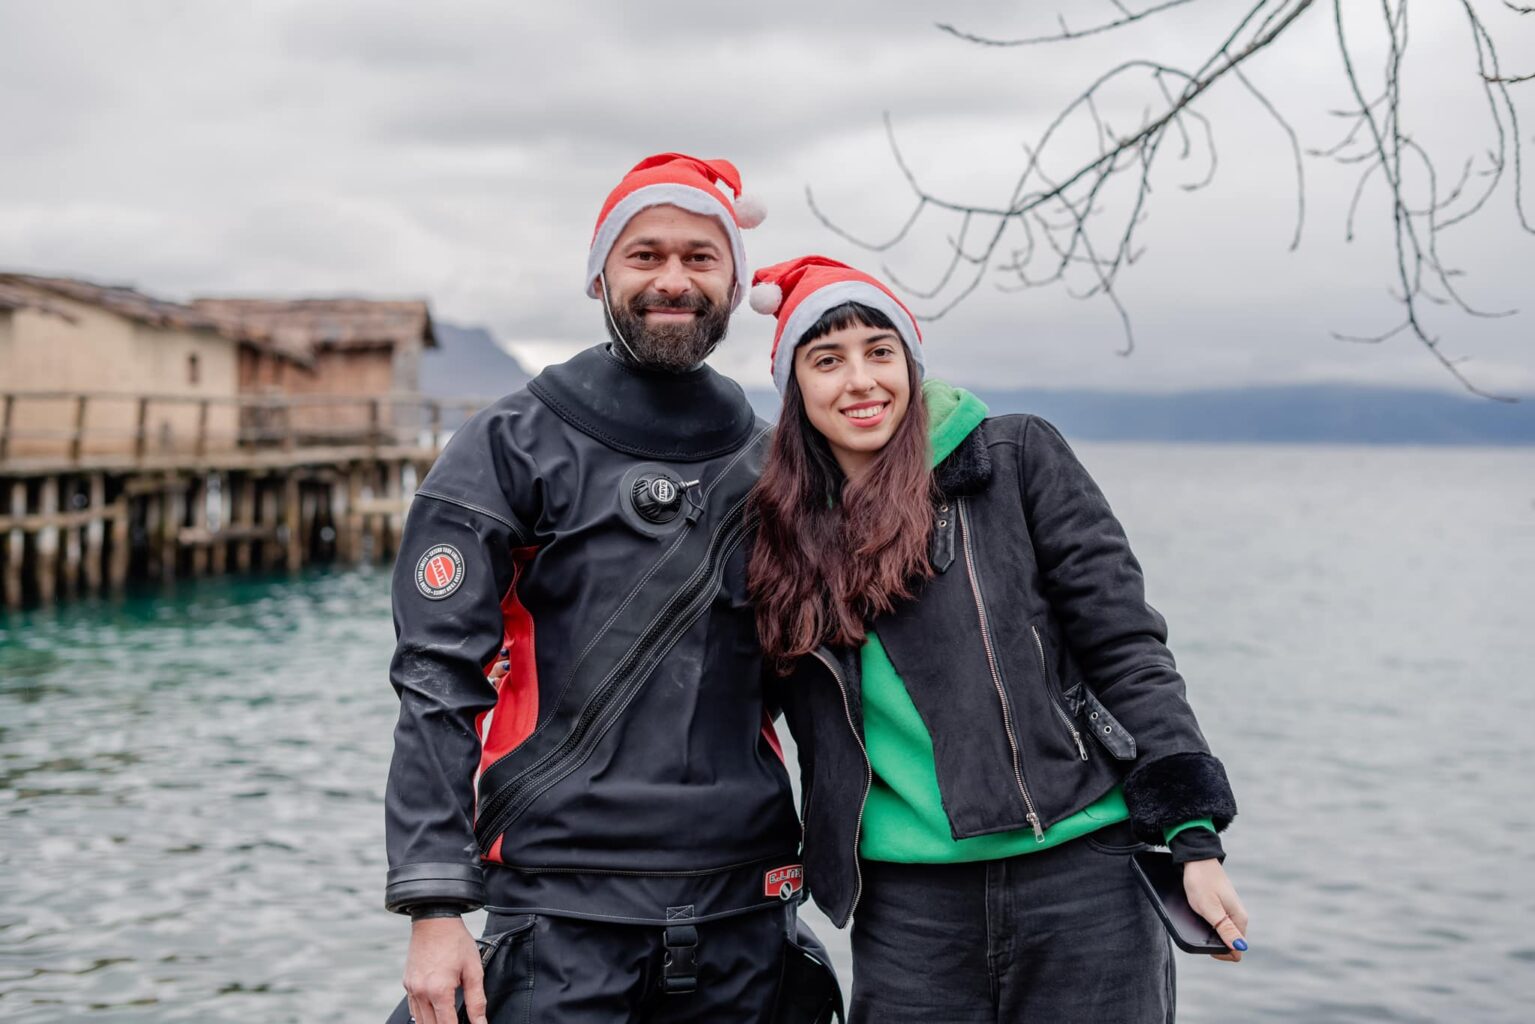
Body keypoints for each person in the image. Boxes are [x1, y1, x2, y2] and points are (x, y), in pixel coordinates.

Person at [383, 156, 838, 1024]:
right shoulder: (508, 446)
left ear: (733, 283)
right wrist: (434, 907)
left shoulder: (776, 461)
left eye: (701, 258)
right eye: (645, 255)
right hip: (558, 911)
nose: (673, 279)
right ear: (599, 275)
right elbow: (436, 682)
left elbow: (831, 682)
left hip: (747, 905)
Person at [743, 255, 1247, 1022]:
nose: (860, 381)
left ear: (910, 363)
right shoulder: (780, 531)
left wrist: (1192, 837)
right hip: (907, 905)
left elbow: (1125, 648)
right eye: (827, 360)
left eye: (879, 352)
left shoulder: (1013, 460)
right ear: (794, 387)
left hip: (1082, 879)